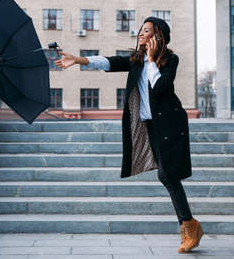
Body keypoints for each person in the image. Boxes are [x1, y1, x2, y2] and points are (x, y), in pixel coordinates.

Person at [55, 16, 204, 253]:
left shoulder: (170, 60)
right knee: (167, 177)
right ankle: (189, 225)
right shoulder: (136, 61)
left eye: (146, 30)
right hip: (150, 125)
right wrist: (77, 59)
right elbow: (109, 62)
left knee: (168, 175)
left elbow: (160, 87)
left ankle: (189, 226)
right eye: (141, 30)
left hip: (170, 124)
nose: (140, 34)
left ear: (158, 36)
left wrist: (153, 60)